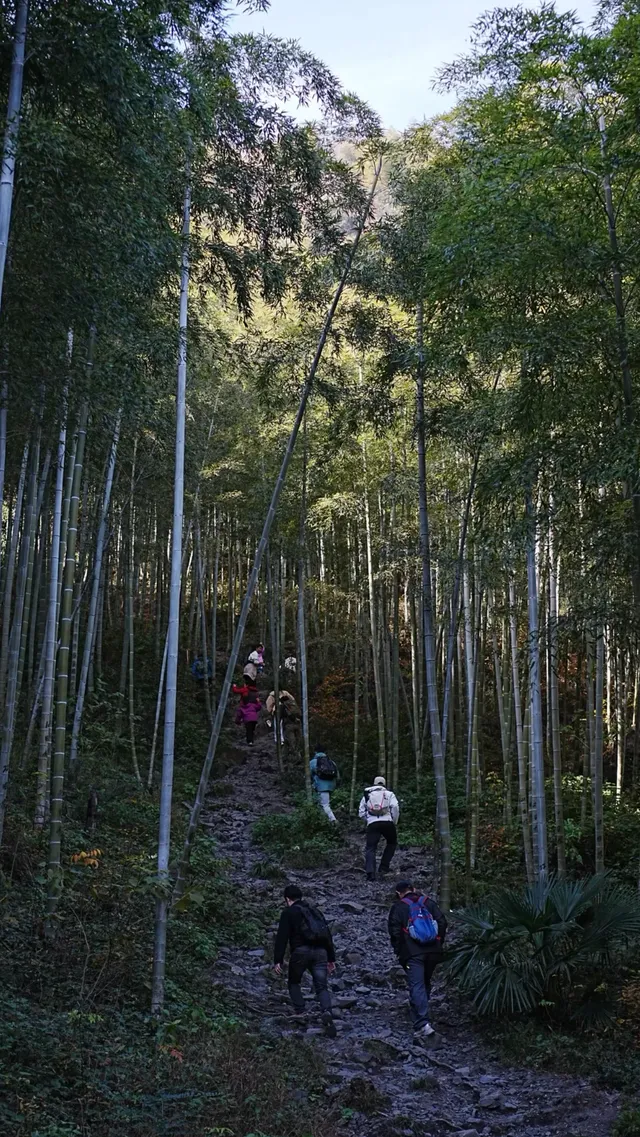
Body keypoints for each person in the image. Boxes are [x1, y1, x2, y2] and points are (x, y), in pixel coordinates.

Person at [273, 884, 337, 1037]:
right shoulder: (314, 911)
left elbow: (282, 937)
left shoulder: (289, 913)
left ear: (287, 899)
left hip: (300, 952)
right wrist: (331, 958)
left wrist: (278, 960)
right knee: (321, 986)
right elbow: (327, 934)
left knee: (294, 982)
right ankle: (327, 1012)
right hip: (321, 952)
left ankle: (301, 1012)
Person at [388, 881, 447, 1041]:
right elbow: (442, 922)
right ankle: (420, 1016)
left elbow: (394, 931)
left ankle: (423, 1024)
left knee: (417, 984)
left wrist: (400, 951)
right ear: (413, 889)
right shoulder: (428, 902)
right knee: (425, 982)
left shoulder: (399, 907)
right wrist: (438, 942)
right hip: (433, 951)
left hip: (413, 953)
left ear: (399, 893)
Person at [358, 775, 400, 881]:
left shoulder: (367, 794)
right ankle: (384, 868)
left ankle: (370, 873)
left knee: (371, 848)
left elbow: (361, 812)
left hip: (372, 823)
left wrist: (368, 819)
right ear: (384, 784)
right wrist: (394, 821)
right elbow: (395, 807)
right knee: (392, 843)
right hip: (387, 822)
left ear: (374, 783)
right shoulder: (389, 794)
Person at [309, 746, 339, 823]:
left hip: (321, 786)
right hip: (331, 786)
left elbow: (308, 774)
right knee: (322, 804)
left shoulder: (313, 762)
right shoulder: (331, 762)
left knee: (325, 805)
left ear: (315, 752)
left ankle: (333, 821)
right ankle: (323, 821)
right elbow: (338, 776)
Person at [233, 679, 261, 746]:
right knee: (251, 730)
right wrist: (259, 702)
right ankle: (252, 740)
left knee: (248, 730)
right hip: (254, 719)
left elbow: (239, 715)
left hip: (247, 720)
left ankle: (250, 742)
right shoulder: (254, 699)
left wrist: (234, 686)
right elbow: (259, 707)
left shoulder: (242, 708)